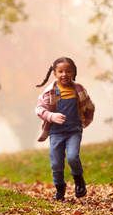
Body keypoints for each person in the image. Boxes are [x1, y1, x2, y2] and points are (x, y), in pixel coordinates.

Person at [35, 57, 95, 200]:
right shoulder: (49, 92)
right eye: (60, 71)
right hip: (56, 131)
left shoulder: (78, 90)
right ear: (54, 73)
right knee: (56, 163)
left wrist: (84, 122)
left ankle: (79, 180)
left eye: (68, 71)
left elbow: (90, 107)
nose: (64, 74)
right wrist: (51, 116)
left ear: (73, 72)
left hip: (74, 130)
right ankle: (60, 188)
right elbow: (39, 109)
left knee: (73, 157)